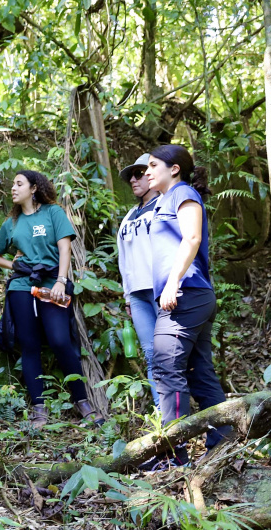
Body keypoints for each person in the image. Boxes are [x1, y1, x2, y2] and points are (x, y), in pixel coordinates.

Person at [0, 170, 99, 430]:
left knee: (60, 340)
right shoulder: (11, 223)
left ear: (34, 188)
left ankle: (82, 401)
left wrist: (61, 280)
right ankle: (39, 408)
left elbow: (64, 248)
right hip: (21, 285)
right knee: (29, 345)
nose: (13, 188)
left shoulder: (53, 213)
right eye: (12, 184)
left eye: (18, 184)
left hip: (51, 283)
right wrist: (12, 264)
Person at [145, 145, 230, 467]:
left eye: (154, 165)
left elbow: (192, 238)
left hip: (186, 294)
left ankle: (172, 453)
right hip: (191, 294)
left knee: (167, 369)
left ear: (175, 168)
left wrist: (172, 282)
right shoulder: (162, 201)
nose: (148, 171)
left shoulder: (183, 193)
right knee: (198, 372)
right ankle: (222, 444)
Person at [116, 153, 161, 408]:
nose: (133, 180)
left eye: (138, 173)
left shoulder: (165, 205)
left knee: (170, 355)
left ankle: (179, 420)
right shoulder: (130, 214)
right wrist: (127, 296)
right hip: (137, 294)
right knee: (151, 356)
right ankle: (163, 421)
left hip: (160, 288)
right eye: (130, 176)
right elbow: (124, 257)